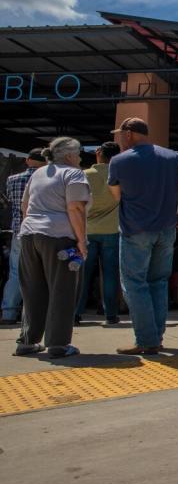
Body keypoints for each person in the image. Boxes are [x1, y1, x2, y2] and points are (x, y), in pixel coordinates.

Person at [109, 117, 178, 355]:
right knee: (158, 282)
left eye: (120, 134)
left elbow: (116, 196)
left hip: (135, 230)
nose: (119, 138)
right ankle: (156, 337)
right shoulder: (171, 157)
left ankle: (146, 340)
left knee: (134, 283)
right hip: (166, 229)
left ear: (128, 134)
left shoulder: (118, 161)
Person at [14, 138, 90, 357]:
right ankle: (58, 344)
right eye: (78, 153)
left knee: (32, 289)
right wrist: (81, 241)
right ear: (68, 156)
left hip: (29, 234)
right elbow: (75, 208)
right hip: (59, 237)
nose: (80, 157)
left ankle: (27, 341)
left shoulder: (39, 173)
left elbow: (25, 206)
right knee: (62, 290)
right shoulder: (74, 174)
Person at [75, 141, 122, 325]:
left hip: (86, 231)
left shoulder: (84, 175)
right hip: (111, 229)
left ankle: (76, 313)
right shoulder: (120, 175)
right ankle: (111, 314)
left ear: (98, 153)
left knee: (83, 275)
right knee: (110, 274)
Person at [1, 147, 45, 325]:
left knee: (15, 272)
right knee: (41, 273)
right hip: (43, 231)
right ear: (46, 162)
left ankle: (9, 313)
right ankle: (36, 314)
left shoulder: (12, 179)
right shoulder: (48, 179)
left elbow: (11, 202)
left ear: (27, 160)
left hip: (20, 231)